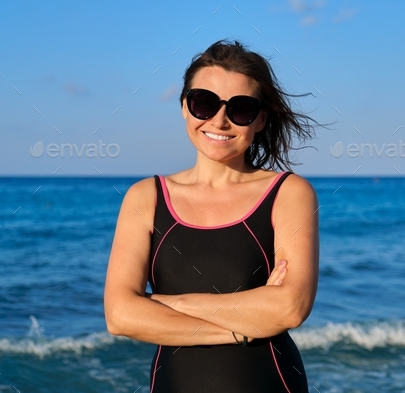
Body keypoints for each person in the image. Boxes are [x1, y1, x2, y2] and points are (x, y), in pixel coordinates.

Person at [104, 40, 320, 392]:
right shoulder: (145, 198)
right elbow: (120, 315)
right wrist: (241, 328)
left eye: (241, 109)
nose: (219, 120)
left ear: (261, 119)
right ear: (185, 108)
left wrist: (165, 304)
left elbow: (290, 308)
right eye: (204, 103)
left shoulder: (289, 193)